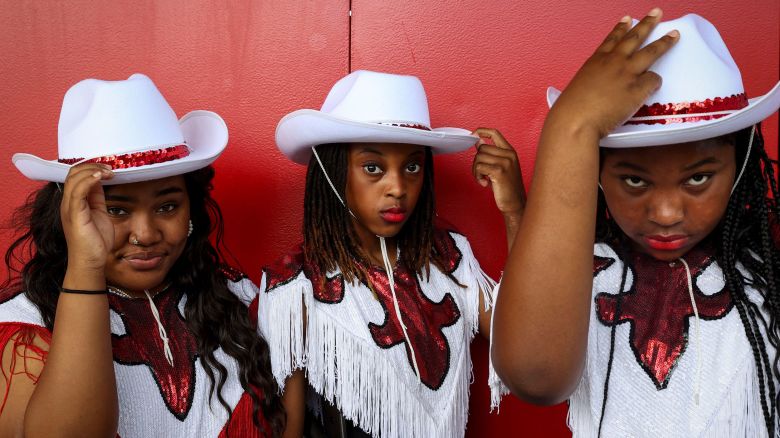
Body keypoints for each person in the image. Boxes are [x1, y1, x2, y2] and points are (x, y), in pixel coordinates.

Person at [486, 9, 780, 436]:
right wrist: (571, 128)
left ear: (739, 165)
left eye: (698, 178)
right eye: (634, 180)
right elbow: (536, 377)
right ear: (597, 175)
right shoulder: (585, 272)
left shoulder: (766, 266)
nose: (665, 215)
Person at [0, 73, 285, 437]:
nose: (147, 234)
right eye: (116, 210)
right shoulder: (23, 325)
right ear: (69, 214)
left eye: (167, 206)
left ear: (192, 211)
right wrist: (85, 266)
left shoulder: (240, 301)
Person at [259, 70, 524, 437]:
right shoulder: (297, 287)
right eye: (373, 168)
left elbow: (528, 349)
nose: (398, 188)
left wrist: (514, 211)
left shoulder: (449, 257)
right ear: (334, 172)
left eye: (412, 166)